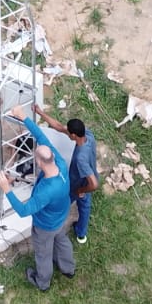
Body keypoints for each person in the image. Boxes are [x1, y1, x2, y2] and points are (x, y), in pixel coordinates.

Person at [0, 107, 74, 291]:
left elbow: (24, 211)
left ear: (38, 162)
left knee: (43, 254)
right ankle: (68, 268)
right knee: (61, 241)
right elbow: (42, 137)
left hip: (45, 226)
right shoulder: (60, 163)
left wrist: (7, 189)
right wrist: (24, 118)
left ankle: (43, 282)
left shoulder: (46, 191)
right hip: (61, 216)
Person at [36, 104, 98, 245]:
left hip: (76, 185)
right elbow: (59, 127)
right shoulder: (88, 135)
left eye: (69, 133)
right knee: (85, 207)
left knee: (60, 205)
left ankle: (54, 229)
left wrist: (80, 190)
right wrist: (40, 112)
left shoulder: (81, 158)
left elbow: (94, 184)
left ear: (74, 135)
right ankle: (81, 234)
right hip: (86, 180)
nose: (67, 133)